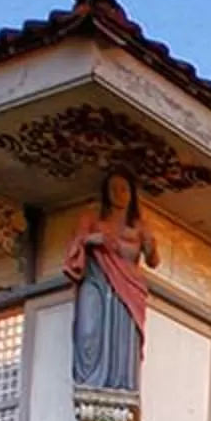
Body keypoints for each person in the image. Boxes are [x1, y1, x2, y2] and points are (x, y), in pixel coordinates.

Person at [63, 168, 158, 395]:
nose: (118, 193)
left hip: (128, 286)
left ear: (132, 194)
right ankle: (89, 382)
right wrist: (91, 239)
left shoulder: (139, 226)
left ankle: (121, 385)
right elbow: (74, 246)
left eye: (124, 188)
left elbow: (153, 260)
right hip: (96, 281)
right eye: (113, 188)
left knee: (124, 336)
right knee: (88, 331)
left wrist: (150, 245)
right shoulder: (91, 218)